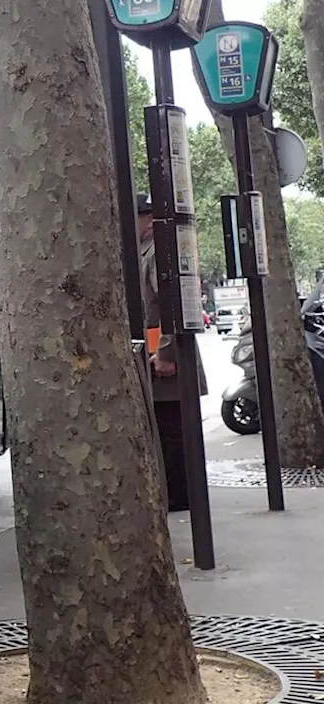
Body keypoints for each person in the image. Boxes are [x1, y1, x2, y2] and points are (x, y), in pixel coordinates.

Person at [137, 193, 207, 512]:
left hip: (166, 355)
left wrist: (166, 352)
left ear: (148, 219)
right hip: (161, 352)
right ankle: (180, 492)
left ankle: (181, 494)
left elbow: (169, 305)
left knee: (172, 429)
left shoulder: (155, 252)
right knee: (170, 428)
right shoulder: (149, 250)